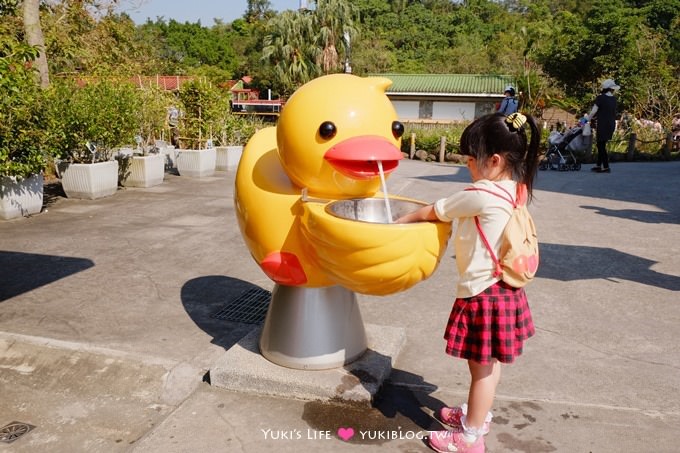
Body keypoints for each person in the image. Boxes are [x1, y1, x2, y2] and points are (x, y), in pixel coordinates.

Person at [396, 112, 539, 453]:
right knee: (488, 367)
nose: (468, 166)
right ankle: (478, 415)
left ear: (494, 160)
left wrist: (401, 220)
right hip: (504, 290)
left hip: (484, 295)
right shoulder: (513, 189)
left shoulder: (482, 193)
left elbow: (436, 210)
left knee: (481, 371)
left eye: (471, 161)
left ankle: (471, 437)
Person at [587, 79, 619, 173]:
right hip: (611, 124)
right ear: (611, 89)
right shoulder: (614, 99)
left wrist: (583, 122)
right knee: (602, 144)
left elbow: (593, 112)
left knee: (600, 145)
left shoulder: (600, 98)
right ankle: (598, 165)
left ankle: (606, 166)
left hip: (603, 124)